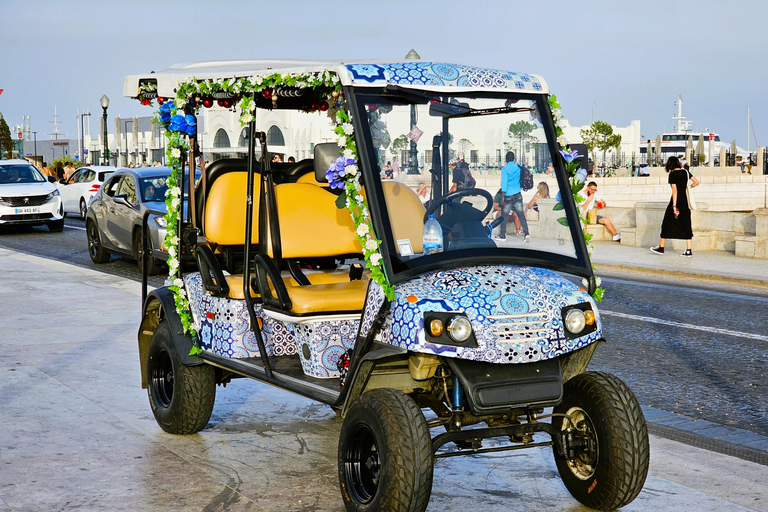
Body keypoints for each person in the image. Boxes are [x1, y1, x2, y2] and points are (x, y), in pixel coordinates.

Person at [650, 156, 700, 257]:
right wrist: (688, 187)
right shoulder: (685, 172)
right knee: (686, 225)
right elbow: (696, 182)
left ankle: (661, 247)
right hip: (685, 201)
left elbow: (675, 191)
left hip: (676, 201)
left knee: (666, 224)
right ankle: (689, 250)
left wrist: (674, 206)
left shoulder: (672, 174)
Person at [498, 152, 529, 242]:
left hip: (508, 195)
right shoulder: (518, 167)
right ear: (513, 158)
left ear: (506, 159)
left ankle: (502, 235)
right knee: (521, 215)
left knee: (504, 215)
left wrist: (502, 198)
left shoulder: (505, 169)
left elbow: (504, 184)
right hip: (518, 194)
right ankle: (526, 233)